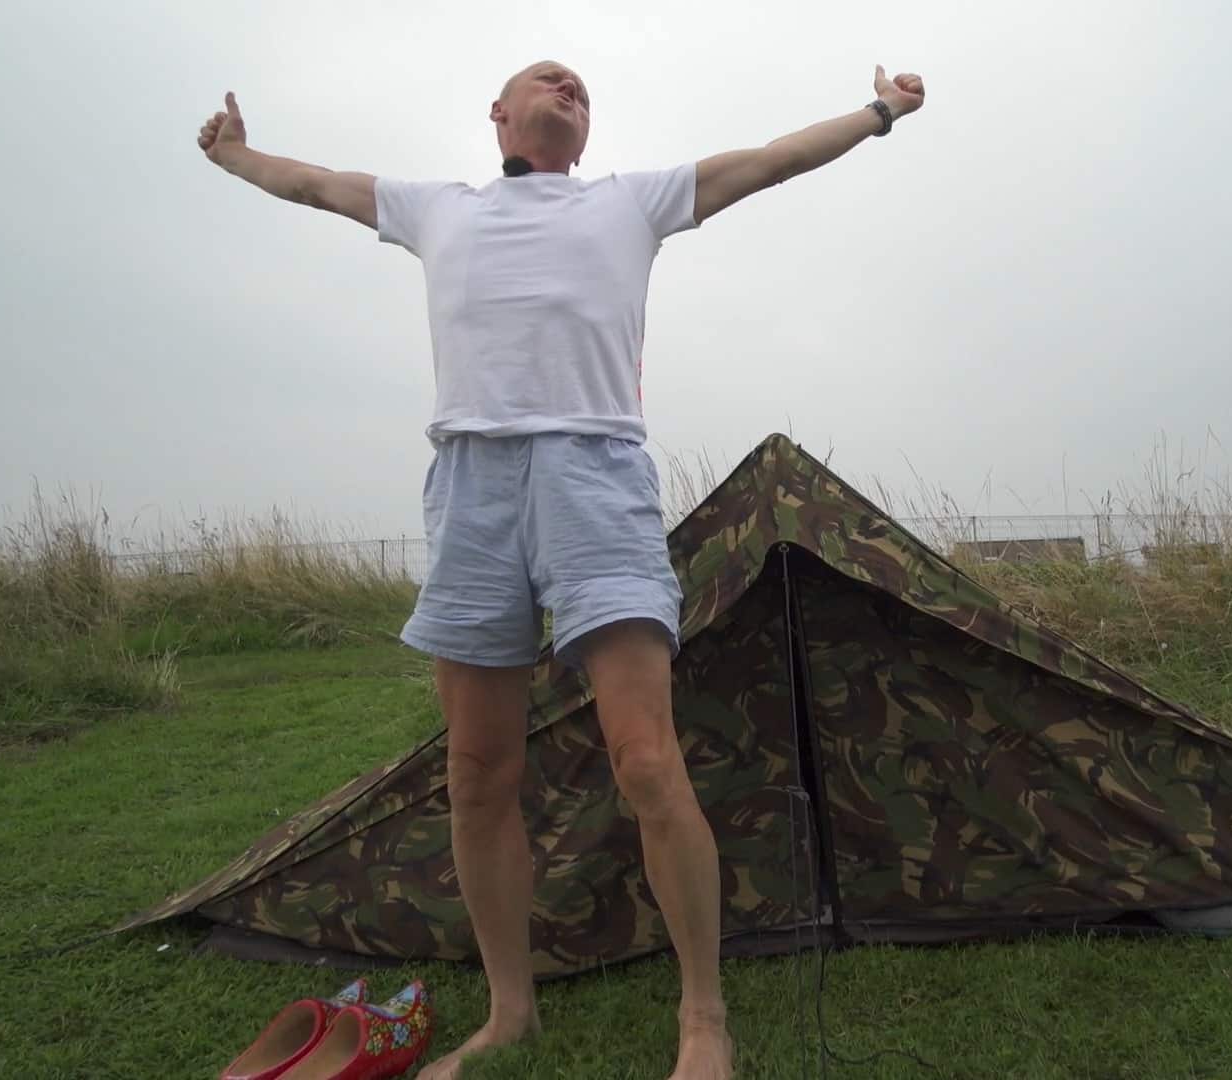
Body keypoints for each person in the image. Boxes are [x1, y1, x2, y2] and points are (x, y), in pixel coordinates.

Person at [195, 59, 926, 1080]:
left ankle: (704, 1019)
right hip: (471, 486)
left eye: (580, 84)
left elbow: (767, 163)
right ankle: (509, 1014)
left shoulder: (633, 202)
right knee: (477, 772)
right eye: (544, 77)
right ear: (498, 114)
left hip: (595, 476)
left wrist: (878, 113)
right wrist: (233, 158)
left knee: (645, 759)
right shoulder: (432, 207)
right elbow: (316, 184)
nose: (566, 83)